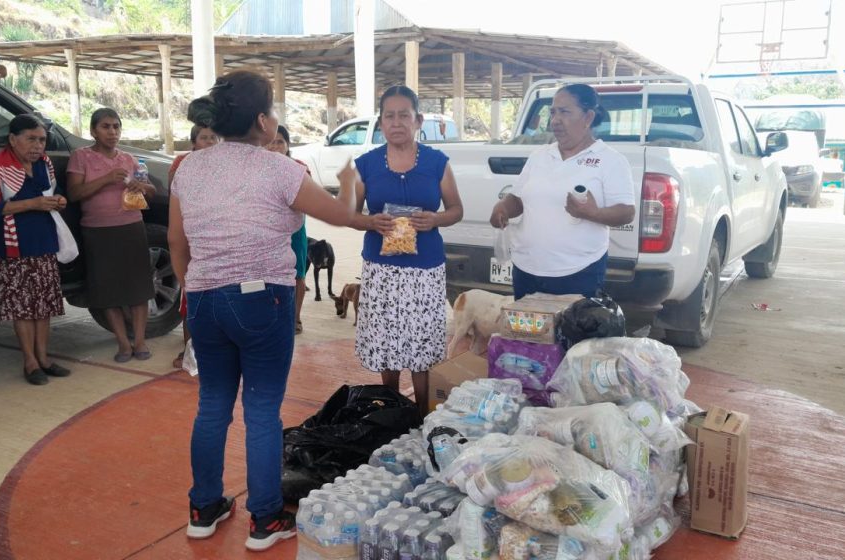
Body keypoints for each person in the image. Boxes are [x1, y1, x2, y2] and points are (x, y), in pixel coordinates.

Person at [168, 70, 356, 552]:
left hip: (205, 300)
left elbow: (176, 240)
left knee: (212, 405)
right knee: (262, 410)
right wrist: (349, 183)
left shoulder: (187, 167)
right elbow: (343, 215)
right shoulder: (281, 169)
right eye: (272, 111)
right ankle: (265, 519)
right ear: (262, 122)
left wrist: (197, 288)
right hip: (260, 299)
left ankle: (204, 508)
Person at [350, 85, 463, 415]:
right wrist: (372, 223)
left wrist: (436, 219)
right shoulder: (366, 164)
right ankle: (391, 406)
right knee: (387, 340)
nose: (396, 122)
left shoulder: (436, 162)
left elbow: (456, 209)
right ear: (381, 122)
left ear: (418, 120)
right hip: (382, 268)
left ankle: (422, 412)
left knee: (422, 340)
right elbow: (349, 214)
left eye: (404, 115)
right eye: (389, 116)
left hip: (425, 267)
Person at [490, 83, 635, 300]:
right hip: (526, 269)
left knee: (573, 334)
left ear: (588, 118)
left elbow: (626, 212)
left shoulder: (610, 160)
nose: (555, 120)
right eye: (553, 112)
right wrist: (502, 208)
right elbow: (518, 199)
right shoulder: (539, 156)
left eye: (565, 112)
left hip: (578, 272)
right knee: (526, 333)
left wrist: (592, 213)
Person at [66, 108, 156, 362]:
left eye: (116, 126)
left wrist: (143, 186)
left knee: (138, 287)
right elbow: (74, 194)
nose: (112, 132)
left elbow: (148, 191)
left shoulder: (130, 159)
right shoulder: (80, 157)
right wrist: (106, 179)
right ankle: (123, 343)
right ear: (93, 131)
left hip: (131, 227)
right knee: (108, 290)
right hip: (98, 230)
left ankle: (139, 341)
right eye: (106, 126)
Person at [0, 114, 71, 385]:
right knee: (22, 306)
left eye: (41, 140)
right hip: (14, 246)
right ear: (13, 139)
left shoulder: (45, 164)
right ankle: (30, 362)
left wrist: (59, 199)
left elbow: (54, 192)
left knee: (44, 304)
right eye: (31, 139)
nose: (38, 146)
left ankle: (44, 358)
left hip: (44, 241)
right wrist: (34, 203)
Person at [169, 124, 220, 369]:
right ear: (193, 142)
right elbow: (175, 202)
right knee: (190, 296)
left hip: (220, 239)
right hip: (192, 239)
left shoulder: (227, 166)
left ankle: (214, 350)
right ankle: (190, 349)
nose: (209, 142)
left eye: (213, 137)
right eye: (203, 138)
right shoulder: (182, 164)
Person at [266, 124, 308, 334]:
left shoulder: (299, 168)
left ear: (288, 145)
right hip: (266, 231)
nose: (275, 146)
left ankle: (295, 318)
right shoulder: (257, 170)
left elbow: (306, 200)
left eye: (280, 142)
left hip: (294, 230)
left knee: (297, 273)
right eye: (271, 142)